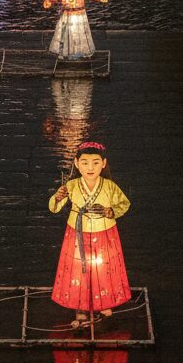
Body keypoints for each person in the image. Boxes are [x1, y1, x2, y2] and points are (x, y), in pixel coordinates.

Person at [48, 140, 131, 328]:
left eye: (95, 162)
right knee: (79, 269)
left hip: (105, 232)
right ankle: (80, 307)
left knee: (105, 268)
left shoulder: (109, 186)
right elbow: (54, 207)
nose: (90, 167)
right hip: (77, 233)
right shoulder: (72, 185)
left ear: (103, 163)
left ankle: (105, 302)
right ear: (77, 164)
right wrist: (58, 197)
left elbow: (124, 204)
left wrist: (111, 211)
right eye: (85, 162)